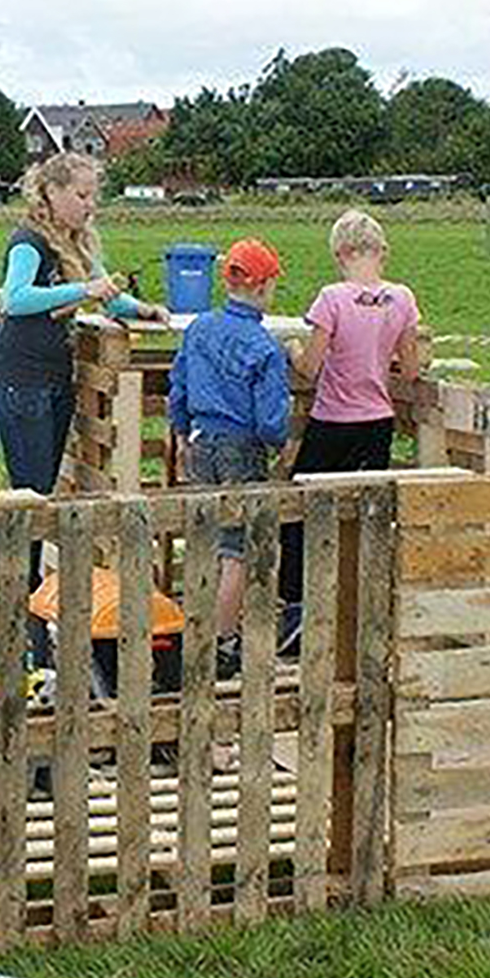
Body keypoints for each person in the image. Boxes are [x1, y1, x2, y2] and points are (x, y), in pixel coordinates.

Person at [0, 151, 169, 604]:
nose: (91, 204)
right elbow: (16, 299)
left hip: (54, 380)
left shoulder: (80, 242)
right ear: (51, 192)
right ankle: (18, 597)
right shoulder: (29, 241)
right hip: (20, 381)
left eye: (94, 195)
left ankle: (29, 599)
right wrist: (84, 290)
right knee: (29, 497)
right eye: (82, 195)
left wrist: (139, 309)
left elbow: (105, 295)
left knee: (41, 492)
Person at [278, 210, 422, 619]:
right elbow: (410, 370)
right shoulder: (402, 298)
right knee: (368, 511)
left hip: (333, 419)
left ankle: (297, 600)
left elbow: (311, 366)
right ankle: (365, 597)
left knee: (300, 510)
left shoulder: (332, 298)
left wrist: (292, 348)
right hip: (377, 420)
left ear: (341, 254)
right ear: (382, 252)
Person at [167, 239, 290, 672]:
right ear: (263, 286)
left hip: (201, 438)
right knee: (237, 550)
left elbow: (178, 384)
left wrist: (181, 433)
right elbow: (271, 415)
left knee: (204, 537)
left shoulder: (199, 328)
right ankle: (222, 642)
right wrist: (279, 444)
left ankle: (196, 627)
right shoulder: (264, 346)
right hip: (241, 447)